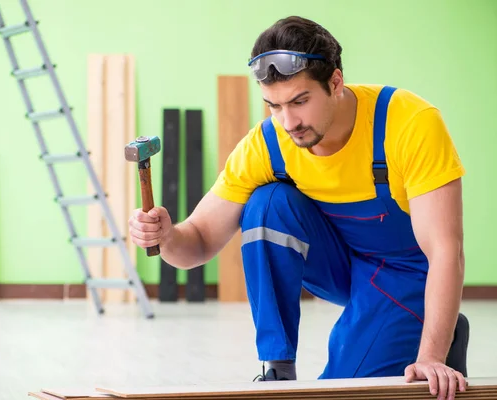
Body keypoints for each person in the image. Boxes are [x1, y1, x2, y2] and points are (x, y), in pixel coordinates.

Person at [128, 15, 469, 400]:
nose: (288, 122)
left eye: (300, 101)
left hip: (405, 275)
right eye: (273, 105)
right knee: (268, 203)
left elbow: (445, 251)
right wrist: (167, 236)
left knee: (344, 391)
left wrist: (431, 357)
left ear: (336, 83)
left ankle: (444, 331)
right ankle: (278, 370)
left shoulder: (407, 123)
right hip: (341, 263)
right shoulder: (269, 143)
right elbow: (201, 241)